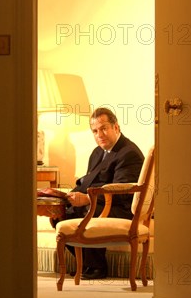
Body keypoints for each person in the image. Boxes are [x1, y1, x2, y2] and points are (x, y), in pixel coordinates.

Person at [55, 107, 144, 280]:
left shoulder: (128, 153)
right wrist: (65, 197)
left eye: (104, 128)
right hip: (102, 202)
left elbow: (123, 192)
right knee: (60, 213)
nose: (99, 134)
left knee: (86, 210)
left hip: (123, 209)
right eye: (95, 131)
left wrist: (87, 199)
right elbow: (89, 182)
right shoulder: (97, 152)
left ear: (116, 127)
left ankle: (98, 267)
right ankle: (87, 264)